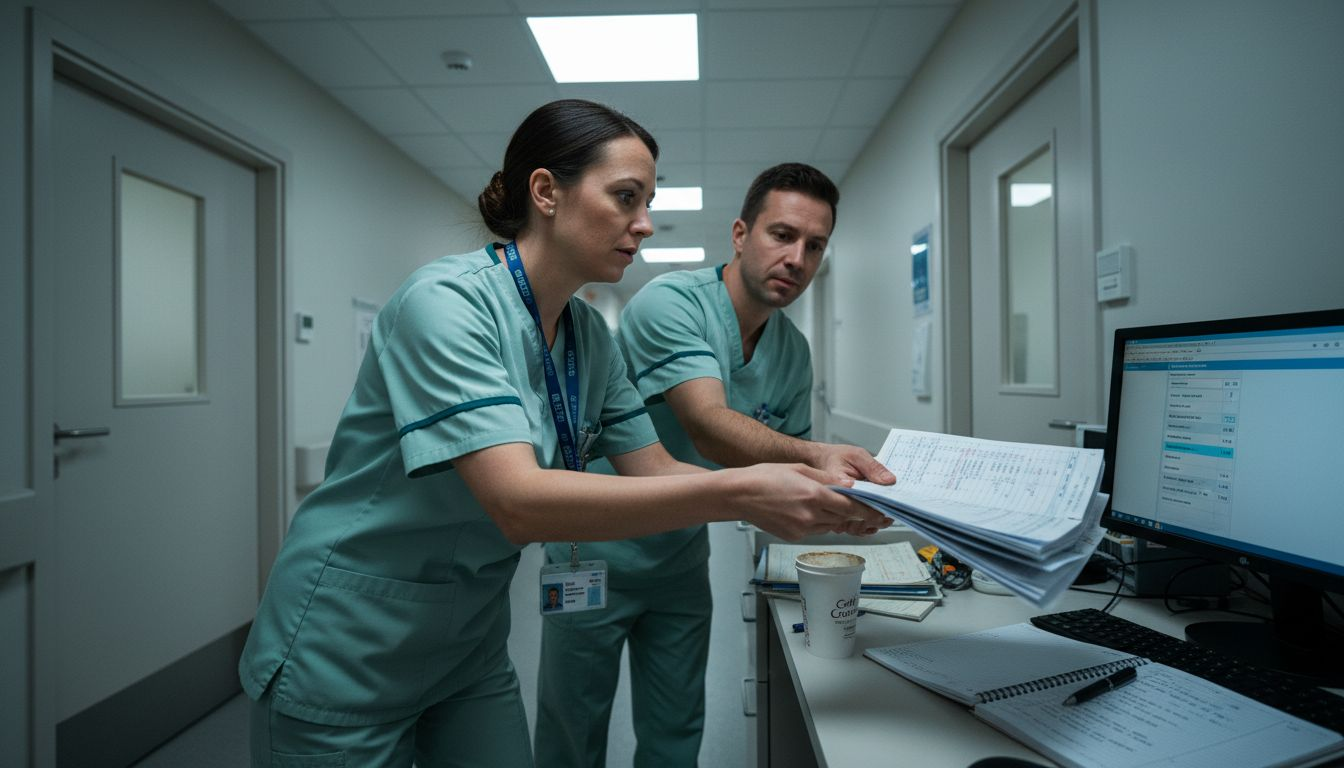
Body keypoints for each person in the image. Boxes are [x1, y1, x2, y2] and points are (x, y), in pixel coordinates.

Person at [236, 100, 890, 767]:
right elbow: (516, 501)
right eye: (626, 197)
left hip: (469, 642)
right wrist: (745, 492)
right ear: (546, 192)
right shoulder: (446, 304)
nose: (645, 223)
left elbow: (656, 468)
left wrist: (803, 488)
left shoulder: (588, 338)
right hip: (352, 637)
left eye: (648, 202)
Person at [535, 163, 896, 768]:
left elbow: (790, 479)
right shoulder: (672, 302)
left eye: (815, 246)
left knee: (677, 725)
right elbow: (710, 426)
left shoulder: (792, 351)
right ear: (740, 234)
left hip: (680, 556)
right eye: (782, 235)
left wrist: (850, 508)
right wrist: (818, 456)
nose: (797, 259)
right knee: (573, 730)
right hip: (595, 550)